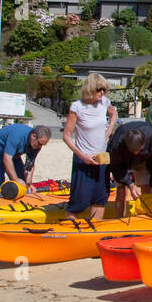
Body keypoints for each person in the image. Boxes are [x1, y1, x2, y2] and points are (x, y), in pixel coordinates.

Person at [62, 72, 117, 220]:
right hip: (83, 158)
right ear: (90, 88)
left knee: (100, 198)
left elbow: (114, 114)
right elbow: (66, 137)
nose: (102, 93)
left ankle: (95, 231)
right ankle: (70, 230)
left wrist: (108, 132)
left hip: (101, 158)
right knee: (78, 201)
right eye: (99, 89)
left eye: (104, 90)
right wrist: (82, 156)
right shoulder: (77, 107)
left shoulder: (104, 102)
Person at [107, 120, 152, 218]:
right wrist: (130, 185)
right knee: (121, 190)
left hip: (144, 160)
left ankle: (147, 217)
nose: (135, 153)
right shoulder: (117, 144)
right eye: (133, 152)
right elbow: (116, 168)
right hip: (122, 161)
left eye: (138, 151)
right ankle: (120, 219)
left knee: (147, 189)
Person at [0, 123, 52, 196]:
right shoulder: (17, 135)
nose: (40, 147)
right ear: (33, 136)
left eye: (43, 145)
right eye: (40, 143)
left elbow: (30, 165)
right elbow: (7, 159)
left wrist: (28, 184)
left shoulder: (36, 145)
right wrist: (15, 179)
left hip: (14, 154)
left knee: (23, 182)